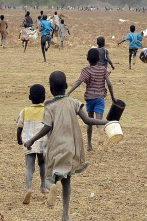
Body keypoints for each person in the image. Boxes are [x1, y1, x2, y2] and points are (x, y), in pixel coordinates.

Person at [24, 71, 109, 221]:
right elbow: (88, 120)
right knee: (67, 179)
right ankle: (65, 215)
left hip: (56, 146)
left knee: (52, 177)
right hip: (72, 147)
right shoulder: (74, 102)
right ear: (66, 86)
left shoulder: (49, 106)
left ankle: (51, 187)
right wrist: (106, 122)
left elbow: (46, 128)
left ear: (50, 89)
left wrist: (31, 140)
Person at [67, 48, 117, 151]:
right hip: (100, 98)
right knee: (99, 120)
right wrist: (113, 97)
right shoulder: (103, 69)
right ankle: (101, 130)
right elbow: (109, 84)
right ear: (99, 59)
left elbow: (79, 82)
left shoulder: (86, 70)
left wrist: (69, 92)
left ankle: (89, 144)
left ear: (87, 59)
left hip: (90, 99)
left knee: (89, 121)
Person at [17, 84, 49, 203]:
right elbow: (49, 126)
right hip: (42, 141)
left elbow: (20, 127)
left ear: (29, 97)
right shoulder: (46, 110)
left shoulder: (24, 111)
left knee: (29, 167)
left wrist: (19, 139)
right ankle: (43, 186)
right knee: (42, 163)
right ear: (44, 97)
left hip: (28, 142)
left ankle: (28, 189)